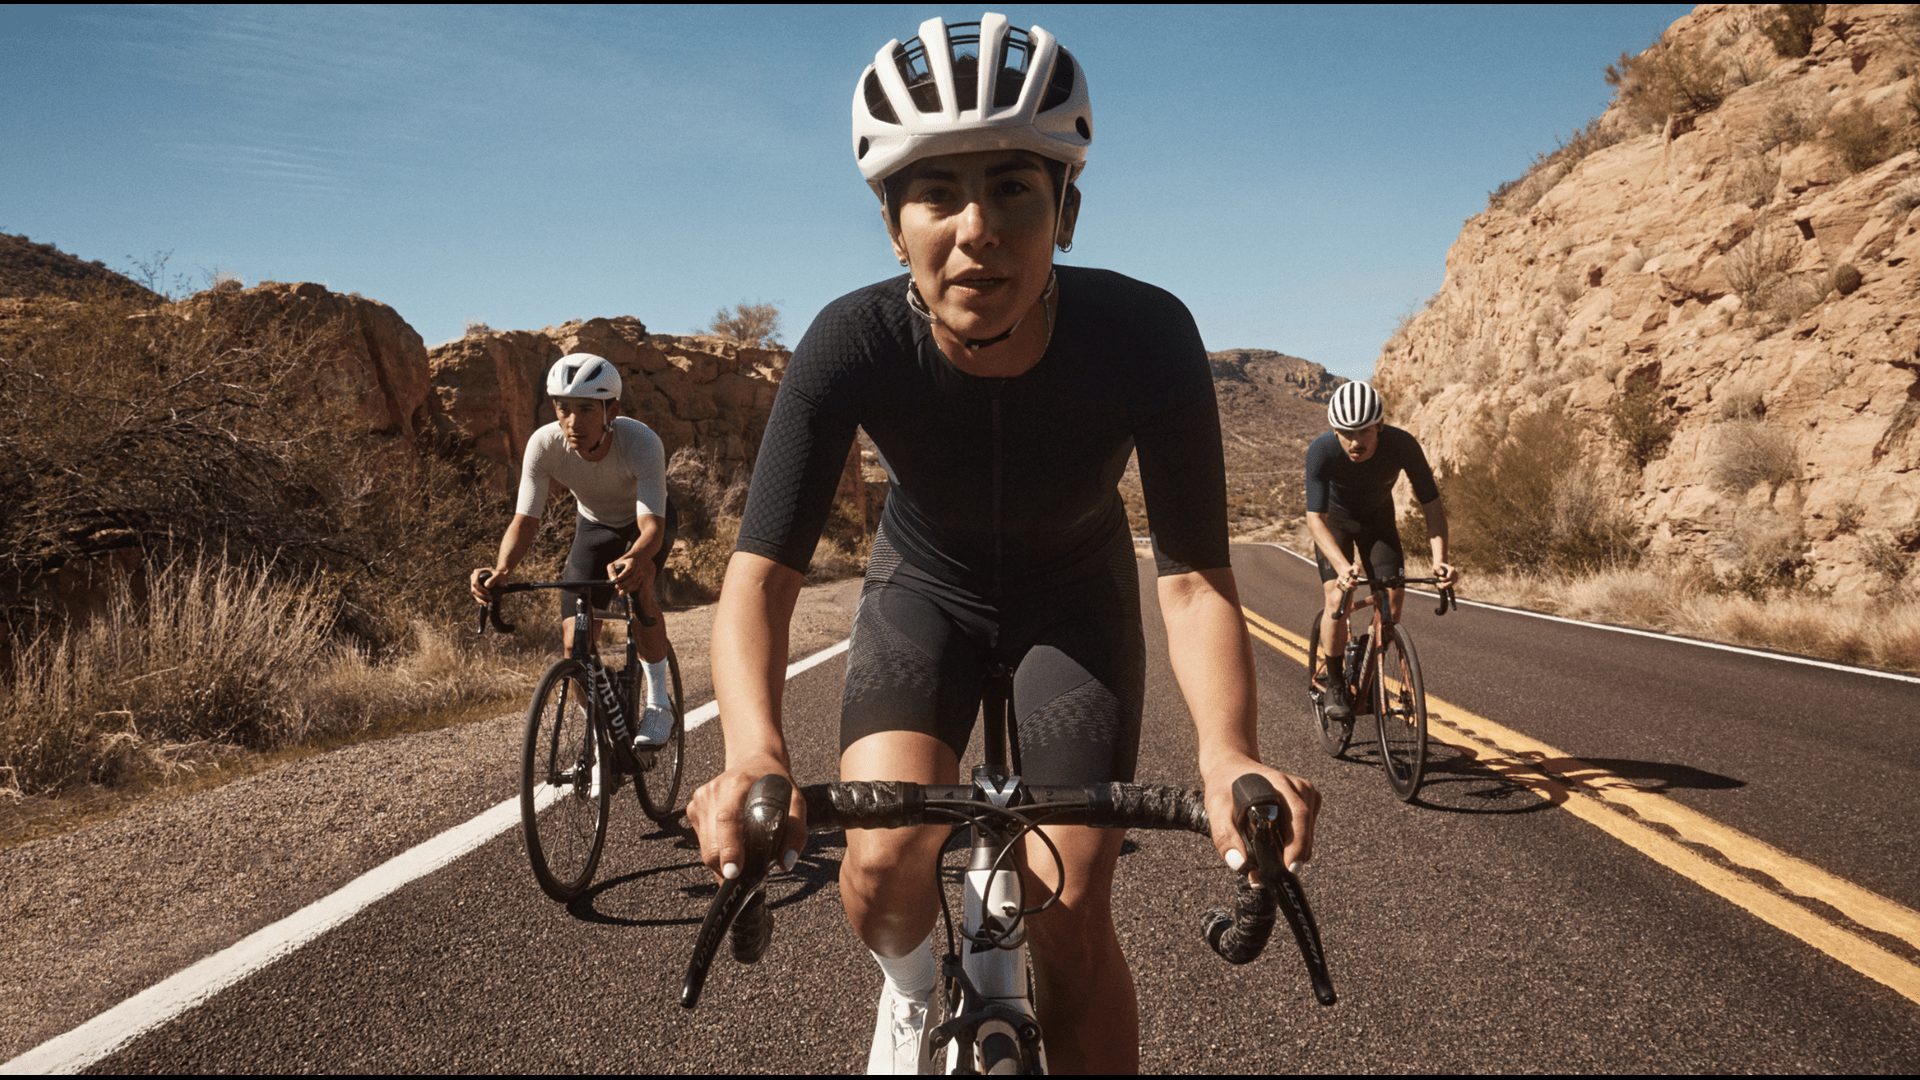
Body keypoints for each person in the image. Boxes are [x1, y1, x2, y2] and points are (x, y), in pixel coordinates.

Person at [686, 15, 1319, 1074]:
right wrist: (752, 750)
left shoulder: (1149, 334)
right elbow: (757, 581)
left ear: (1066, 209)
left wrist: (1227, 753)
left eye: (1015, 186)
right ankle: (906, 988)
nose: (977, 227)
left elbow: (1199, 584)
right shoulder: (848, 342)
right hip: (921, 592)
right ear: (893, 224)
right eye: (936, 191)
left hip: (1074, 603)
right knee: (885, 864)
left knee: (1069, 921)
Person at [469, 353, 677, 748]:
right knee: (573, 645)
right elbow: (525, 521)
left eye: (585, 409)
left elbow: (653, 526)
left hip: (644, 524)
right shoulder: (544, 445)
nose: (572, 421)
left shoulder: (642, 442)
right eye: (563, 408)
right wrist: (501, 571)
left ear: (610, 410)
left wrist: (635, 560)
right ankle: (601, 730)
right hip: (594, 528)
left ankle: (659, 705)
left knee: (640, 587)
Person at [1303, 380, 1457, 722]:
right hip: (1336, 524)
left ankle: (1368, 662)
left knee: (1392, 607)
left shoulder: (1402, 445)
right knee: (1335, 599)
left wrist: (1441, 561)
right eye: (1346, 432)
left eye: (1365, 432)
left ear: (1380, 427)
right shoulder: (1321, 450)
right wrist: (1343, 567)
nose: (1355, 442)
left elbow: (1431, 505)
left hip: (1378, 523)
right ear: (1334, 429)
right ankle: (1336, 683)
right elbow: (1315, 519)